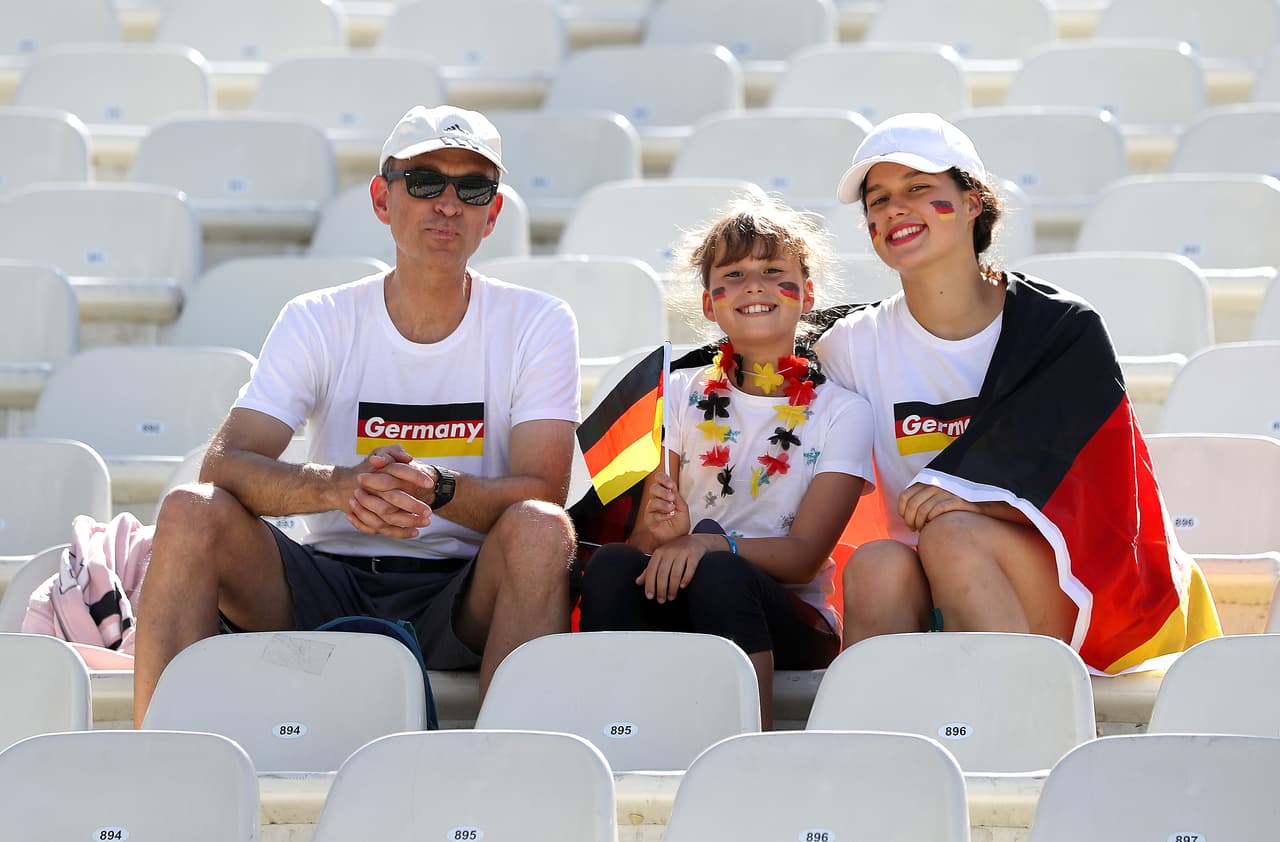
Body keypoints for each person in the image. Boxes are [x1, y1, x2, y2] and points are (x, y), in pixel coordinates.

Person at [133, 105, 582, 725]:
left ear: (493, 213)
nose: (448, 204)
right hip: (325, 578)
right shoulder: (318, 317)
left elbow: (544, 491)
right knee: (190, 509)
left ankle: (508, 765)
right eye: (425, 181)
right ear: (381, 199)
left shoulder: (539, 321)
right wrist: (339, 487)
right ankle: (158, 758)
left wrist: (436, 488)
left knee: (541, 529)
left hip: (464, 590)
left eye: (472, 188)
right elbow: (225, 464)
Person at [814, 112, 1219, 673]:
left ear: (972, 202)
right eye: (877, 200)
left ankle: (1023, 714)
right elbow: (753, 377)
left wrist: (976, 499)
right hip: (929, 581)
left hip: (1078, 589)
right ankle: (883, 727)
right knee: (876, 564)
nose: (894, 209)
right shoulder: (848, 346)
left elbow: (1103, 506)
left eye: (918, 188)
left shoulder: (1059, 329)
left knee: (952, 536)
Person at [577, 198, 875, 727]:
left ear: (807, 295)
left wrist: (711, 544)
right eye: (733, 275)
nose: (754, 286)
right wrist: (660, 536)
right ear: (708, 304)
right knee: (614, 566)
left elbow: (804, 559)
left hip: (790, 618)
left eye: (773, 271)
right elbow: (649, 544)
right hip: (687, 589)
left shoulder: (843, 411)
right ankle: (617, 732)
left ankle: (747, 748)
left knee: (721, 573)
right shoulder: (677, 392)